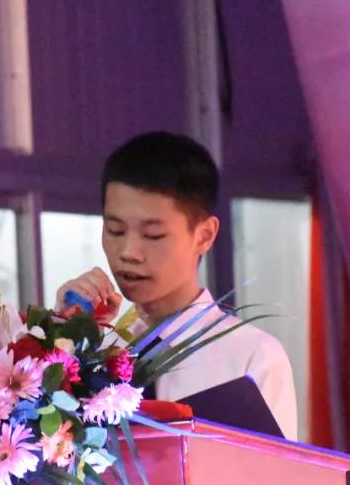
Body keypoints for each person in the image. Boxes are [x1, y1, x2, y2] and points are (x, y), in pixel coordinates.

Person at [55, 131, 298, 441]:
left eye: (153, 235)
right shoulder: (99, 350)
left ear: (205, 235)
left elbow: (275, 471)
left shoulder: (251, 356)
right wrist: (63, 334)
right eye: (115, 230)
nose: (129, 252)